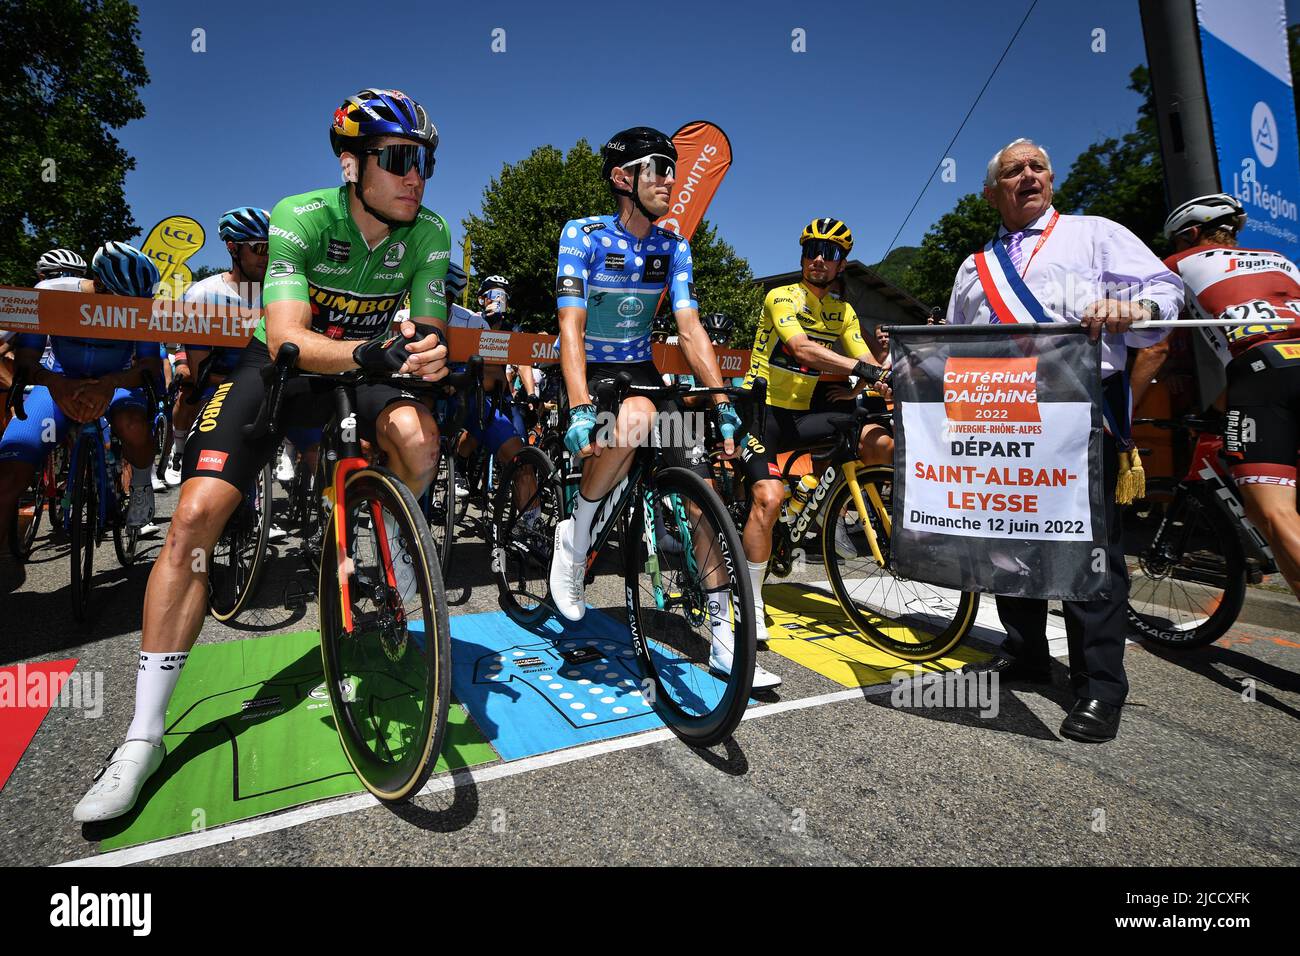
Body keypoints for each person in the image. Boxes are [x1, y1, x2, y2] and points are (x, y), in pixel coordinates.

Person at [72, 87, 452, 823]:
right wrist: (372, 350)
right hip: (280, 367)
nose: (418, 176)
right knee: (195, 519)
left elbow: (424, 332)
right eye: (401, 159)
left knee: (420, 439)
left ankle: (396, 553)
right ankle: (141, 736)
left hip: (367, 366)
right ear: (352, 164)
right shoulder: (301, 214)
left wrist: (427, 351)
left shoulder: (431, 230)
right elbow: (285, 333)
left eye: (426, 162)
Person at [951, 138, 1184, 743]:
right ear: (991, 191)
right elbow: (956, 345)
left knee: (1088, 549)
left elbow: (1166, 290)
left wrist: (1129, 305)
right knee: (1007, 543)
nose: (1028, 176)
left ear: (1051, 179)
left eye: (1037, 167)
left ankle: (1100, 686)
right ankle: (1027, 651)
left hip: (1078, 413)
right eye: (1013, 170)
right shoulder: (973, 268)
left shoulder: (1094, 233)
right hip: (1000, 422)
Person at [546, 126, 748, 681]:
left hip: (640, 368)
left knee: (699, 482)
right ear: (622, 178)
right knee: (634, 418)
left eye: (672, 168)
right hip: (591, 367)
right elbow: (570, 327)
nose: (669, 179)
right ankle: (577, 531)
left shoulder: (673, 244)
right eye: (657, 167)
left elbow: (689, 328)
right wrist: (582, 405)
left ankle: (727, 634)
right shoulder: (582, 235)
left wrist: (721, 397)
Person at [734, 217, 893, 689]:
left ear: (842, 261)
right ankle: (751, 599)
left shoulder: (842, 312)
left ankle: (851, 510)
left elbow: (861, 355)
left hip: (803, 412)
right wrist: (861, 370)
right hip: (762, 411)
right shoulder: (782, 296)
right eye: (811, 250)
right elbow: (801, 347)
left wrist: (860, 380)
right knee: (768, 498)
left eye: (829, 252)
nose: (819, 259)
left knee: (873, 438)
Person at [1156, 193, 1300, 599]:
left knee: (1272, 510)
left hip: (1263, 370)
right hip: (1274, 369)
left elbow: (1156, 346)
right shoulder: (1280, 259)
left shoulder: (1177, 265)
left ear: (1193, 234)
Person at [0, 243, 164, 583]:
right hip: (57, 380)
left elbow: (147, 363)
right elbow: (27, 358)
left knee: (132, 424)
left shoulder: (141, 303)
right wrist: (54, 383)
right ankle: (4, 552)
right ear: (100, 286)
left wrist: (110, 384)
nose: (134, 312)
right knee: (9, 471)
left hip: (116, 381)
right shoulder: (50, 292)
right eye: (126, 305)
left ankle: (142, 486)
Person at [163, 207, 270, 486]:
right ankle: (180, 450)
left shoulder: (279, 291)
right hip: (216, 379)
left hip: (266, 378)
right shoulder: (203, 293)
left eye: (273, 248)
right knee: (188, 389)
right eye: (259, 248)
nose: (267, 256)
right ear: (233, 248)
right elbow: (199, 373)